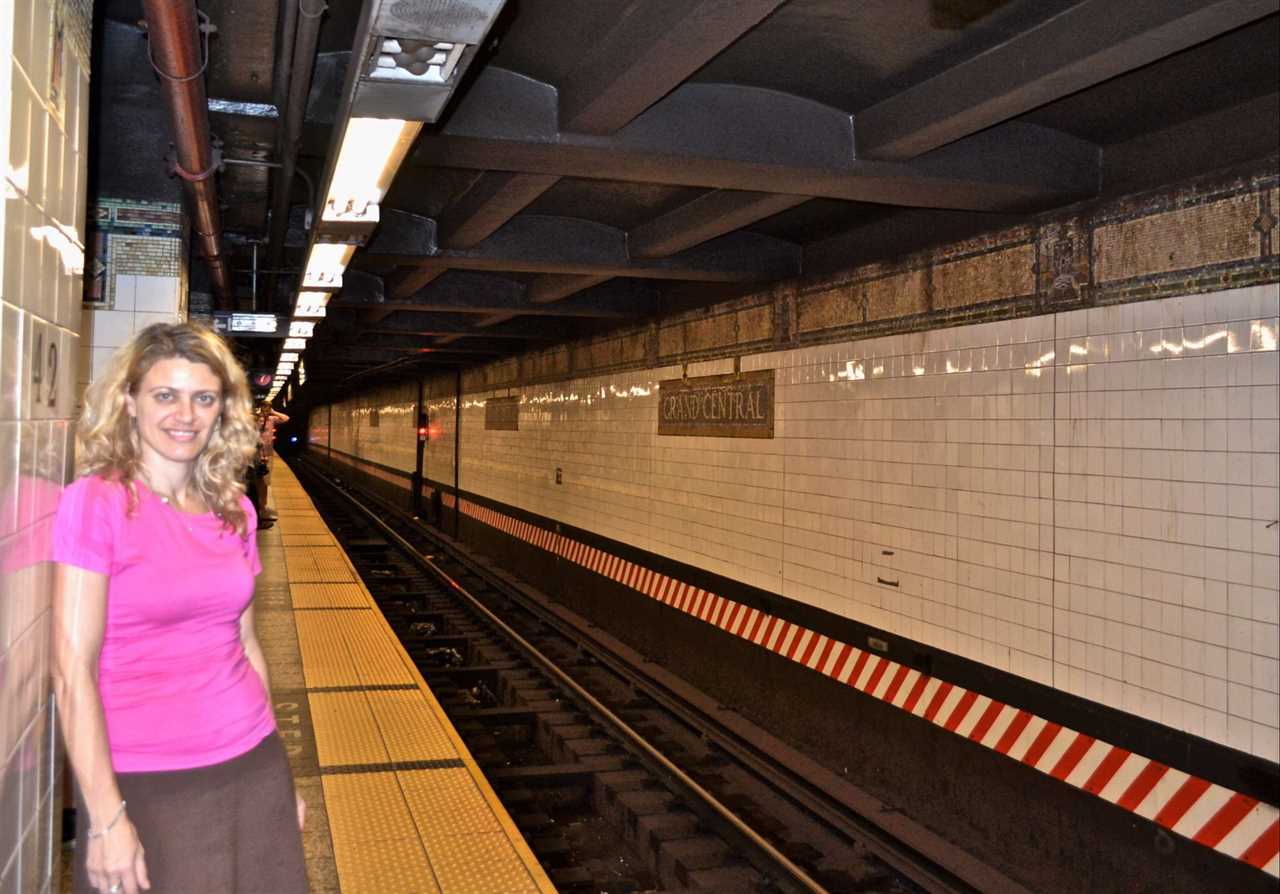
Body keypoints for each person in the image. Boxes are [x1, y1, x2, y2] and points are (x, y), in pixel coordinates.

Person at [51, 322, 307, 894]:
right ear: (129, 402)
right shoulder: (97, 503)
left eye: (203, 397)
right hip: (148, 777)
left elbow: (245, 645)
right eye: (165, 395)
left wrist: (281, 773)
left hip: (252, 760)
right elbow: (72, 672)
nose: (184, 414)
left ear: (222, 410)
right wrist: (107, 818)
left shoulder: (233, 509)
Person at [254, 401, 289, 523]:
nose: (266, 409)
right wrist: (258, 415)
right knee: (259, 481)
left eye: (268, 407)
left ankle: (263, 506)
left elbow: (286, 418)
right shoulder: (255, 419)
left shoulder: (272, 419)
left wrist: (273, 412)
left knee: (266, 481)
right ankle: (260, 506)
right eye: (264, 407)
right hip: (257, 454)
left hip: (268, 454)